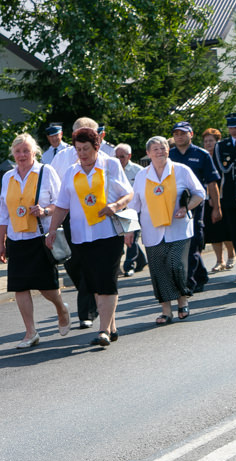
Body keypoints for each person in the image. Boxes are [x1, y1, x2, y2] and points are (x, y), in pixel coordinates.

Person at [46, 127, 133, 347]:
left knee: (107, 280)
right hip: (81, 236)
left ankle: (103, 330)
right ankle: (111, 326)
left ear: (96, 147)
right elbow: (61, 206)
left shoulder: (110, 165)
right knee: (95, 283)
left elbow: (129, 193)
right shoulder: (71, 172)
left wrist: (115, 205)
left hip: (108, 233)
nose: (82, 153)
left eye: (86, 149)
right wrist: (52, 230)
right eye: (78, 149)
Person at [0, 134, 70, 348]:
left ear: (35, 152)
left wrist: (45, 211)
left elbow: (61, 203)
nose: (21, 155)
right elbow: (4, 213)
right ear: (13, 153)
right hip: (17, 239)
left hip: (39, 237)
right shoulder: (8, 176)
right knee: (20, 287)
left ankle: (61, 309)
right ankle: (30, 331)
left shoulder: (46, 172)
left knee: (47, 287)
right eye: (18, 151)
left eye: (26, 150)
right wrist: (0, 242)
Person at [128, 137, 206, 323]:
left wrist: (186, 207)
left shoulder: (181, 170)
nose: (159, 152)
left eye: (163, 148)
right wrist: (129, 230)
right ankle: (166, 311)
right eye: (155, 149)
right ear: (148, 153)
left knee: (175, 264)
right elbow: (133, 206)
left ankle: (183, 301)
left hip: (178, 229)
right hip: (152, 231)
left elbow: (200, 193)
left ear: (168, 150)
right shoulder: (142, 176)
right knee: (158, 270)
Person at [50, 117, 108, 329]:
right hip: (71, 217)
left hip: (99, 219)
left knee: (92, 265)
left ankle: (88, 310)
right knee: (73, 264)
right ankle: (93, 296)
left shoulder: (106, 157)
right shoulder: (63, 157)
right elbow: (54, 186)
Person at [169, 121, 220, 293]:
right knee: (184, 242)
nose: (179, 136)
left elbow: (212, 183)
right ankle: (199, 276)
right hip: (175, 205)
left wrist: (216, 207)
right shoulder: (169, 155)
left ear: (191, 134)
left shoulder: (201, 154)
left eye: (183, 133)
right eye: (176, 134)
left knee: (195, 240)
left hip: (197, 203)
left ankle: (188, 283)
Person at [215, 113, 236, 281]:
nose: (233, 130)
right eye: (231, 127)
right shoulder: (222, 146)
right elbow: (221, 170)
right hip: (229, 196)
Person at [203, 126, 236, 272]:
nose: (208, 144)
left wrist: (215, 197)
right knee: (214, 232)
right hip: (206, 199)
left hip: (223, 198)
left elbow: (222, 179)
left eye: (211, 141)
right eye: (206, 141)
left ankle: (231, 255)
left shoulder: (221, 156)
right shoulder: (203, 157)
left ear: (218, 141)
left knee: (226, 230)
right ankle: (219, 260)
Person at [114, 144, 147, 276]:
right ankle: (141, 259)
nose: (119, 159)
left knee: (132, 236)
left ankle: (129, 265)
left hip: (134, 209)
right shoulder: (112, 170)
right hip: (118, 209)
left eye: (122, 157)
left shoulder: (138, 170)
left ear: (129, 156)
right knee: (124, 237)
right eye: (117, 157)